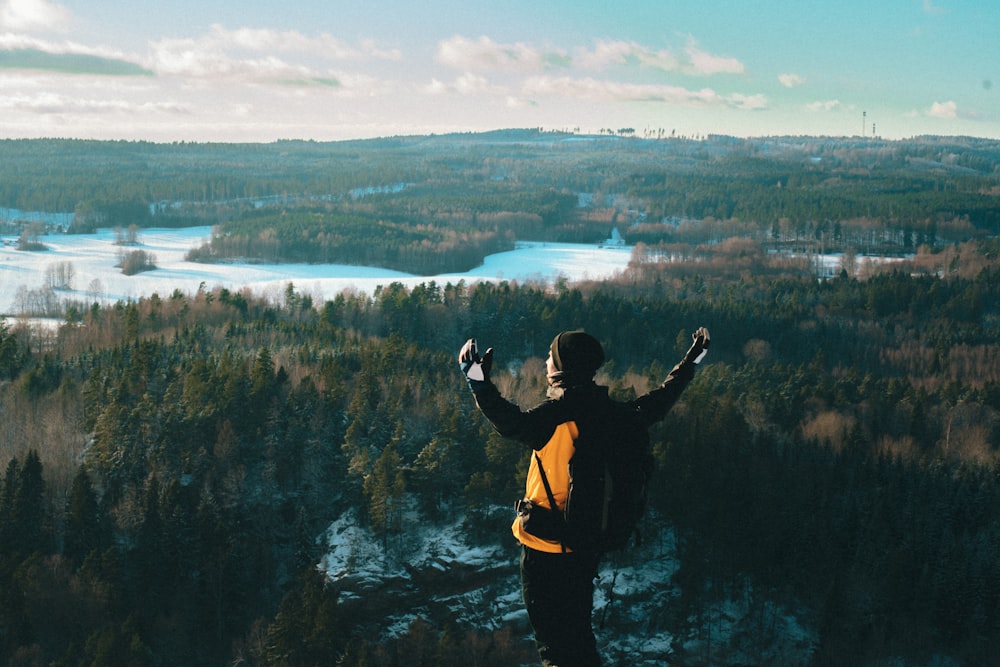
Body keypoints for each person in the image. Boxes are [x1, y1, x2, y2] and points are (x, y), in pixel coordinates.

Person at [458, 327, 710, 666]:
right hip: (585, 546)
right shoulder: (616, 414)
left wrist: (477, 382)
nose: (546, 360)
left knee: (554, 647)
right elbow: (660, 400)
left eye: (551, 355)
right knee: (577, 638)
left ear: (562, 366)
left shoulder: (557, 414)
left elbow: (510, 423)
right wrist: (689, 363)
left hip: (546, 550)